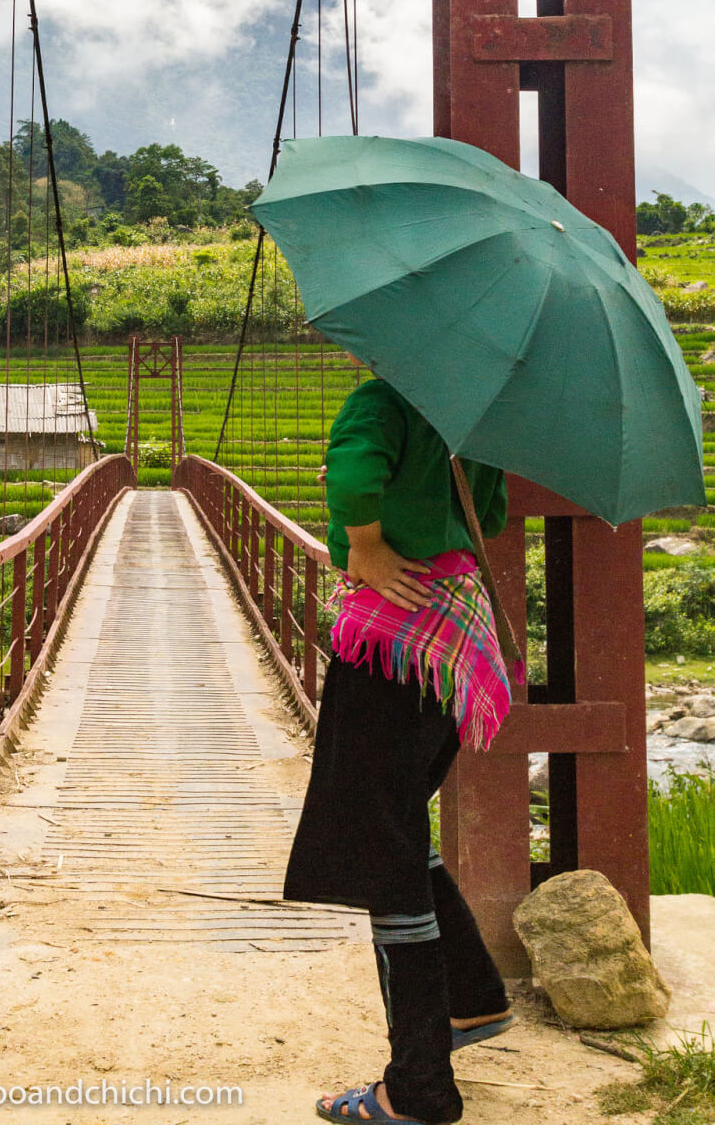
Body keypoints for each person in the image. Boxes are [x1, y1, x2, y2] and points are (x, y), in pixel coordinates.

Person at [282, 358, 517, 1125]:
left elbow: (351, 478)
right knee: (400, 824)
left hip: (391, 640)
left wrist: (367, 543)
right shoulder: (471, 416)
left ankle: (416, 1088)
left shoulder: (379, 402)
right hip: (457, 639)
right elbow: (498, 511)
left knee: (383, 848)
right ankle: (474, 1001)